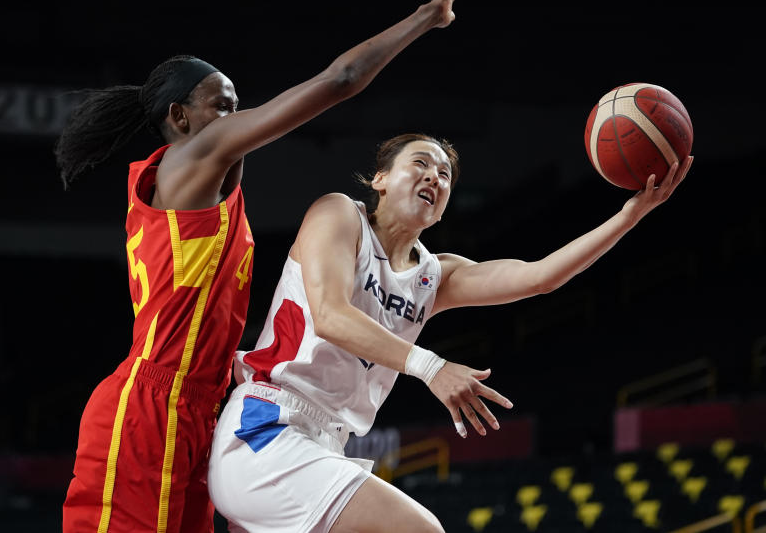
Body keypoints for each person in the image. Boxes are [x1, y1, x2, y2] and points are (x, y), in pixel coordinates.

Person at [55, 0, 463, 533]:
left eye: (239, 106)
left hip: (203, 408)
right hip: (152, 404)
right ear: (181, 118)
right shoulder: (188, 158)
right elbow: (342, 79)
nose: (237, 119)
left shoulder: (216, 193)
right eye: (223, 107)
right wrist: (427, 16)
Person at [208, 133, 693, 533]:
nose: (434, 177)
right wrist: (431, 367)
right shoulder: (339, 215)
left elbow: (541, 276)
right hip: (267, 427)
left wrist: (632, 214)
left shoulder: (434, 276)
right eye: (420, 163)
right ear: (380, 179)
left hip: (325, 445)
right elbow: (331, 314)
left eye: (444, 176)